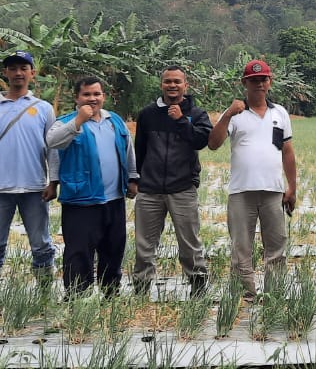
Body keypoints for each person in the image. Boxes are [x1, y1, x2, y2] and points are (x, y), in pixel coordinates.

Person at [209, 59, 297, 299]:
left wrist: (292, 187)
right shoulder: (236, 113)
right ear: (244, 83)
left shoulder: (280, 113)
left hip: (273, 191)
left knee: (276, 248)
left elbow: (287, 152)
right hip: (241, 192)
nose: (259, 83)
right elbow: (213, 143)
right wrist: (227, 114)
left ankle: (274, 295)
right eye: (254, 80)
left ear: (270, 82)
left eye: (263, 79)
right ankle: (245, 295)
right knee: (241, 248)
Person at [0, 51, 58, 294]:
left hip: (34, 188)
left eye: (24, 68)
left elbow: (52, 148)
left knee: (41, 244)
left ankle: (44, 293)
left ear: (32, 73)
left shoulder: (43, 108)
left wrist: (53, 181)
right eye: (13, 68)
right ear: (5, 73)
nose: (18, 73)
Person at [47, 76, 138, 296]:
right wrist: (78, 121)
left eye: (96, 94)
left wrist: (133, 178)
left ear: (104, 97)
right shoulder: (65, 122)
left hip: (113, 198)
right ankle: (79, 295)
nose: (92, 99)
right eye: (86, 94)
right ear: (76, 98)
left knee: (113, 248)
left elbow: (128, 150)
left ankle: (110, 292)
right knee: (79, 252)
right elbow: (52, 142)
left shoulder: (114, 121)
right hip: (81, 200)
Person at [132, 66, 213, 298]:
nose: (172, 85)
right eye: (168, 81)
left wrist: (181, 120)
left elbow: (200, 141)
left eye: (177, 81)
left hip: (183, 188)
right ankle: (141, 289)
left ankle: (197, 288)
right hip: (150, 189)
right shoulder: (147, 114)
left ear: (185, 86)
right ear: (161, 85)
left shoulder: (197, 114)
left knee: (190, 244)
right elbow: (140, 149)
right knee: (144, 246)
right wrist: (136, 180)